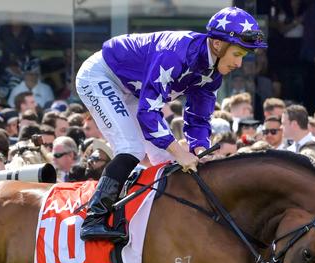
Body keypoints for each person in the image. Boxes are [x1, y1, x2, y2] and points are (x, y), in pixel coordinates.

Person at [76, 6, 267, 241]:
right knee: (132, 148)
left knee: (167, 161)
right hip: (101, 76)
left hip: (133, 89)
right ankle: (94, 217)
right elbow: (149, 113)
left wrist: (198, 149)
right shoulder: (175, 54)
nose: (239, 63)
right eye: (237, 53)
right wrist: (180, 151)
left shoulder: (213, 72)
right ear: (218, 44)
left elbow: (198, 116)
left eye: (244, 56)